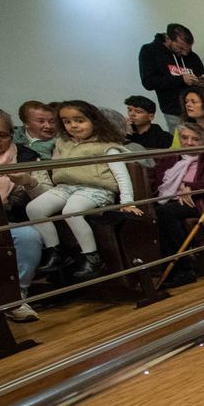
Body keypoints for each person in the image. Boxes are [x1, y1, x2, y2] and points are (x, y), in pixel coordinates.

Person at [25, 100, 142, 282]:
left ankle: (92, 257)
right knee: (34, 208)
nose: (73, 125)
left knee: (72, 211)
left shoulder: (105, 146)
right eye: (67, 121)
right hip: (66, 186)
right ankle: (55, 251)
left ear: (94, 121)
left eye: (79, 120)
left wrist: (128, 202)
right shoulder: (62, 144)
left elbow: (121, 175)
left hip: (96, 188)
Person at [0, 104, 48, 321]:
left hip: (9, 220)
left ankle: (15, 297)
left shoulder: (27, 156)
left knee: (28, 237)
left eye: (2, 134)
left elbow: (47, 197)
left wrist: (29, 182)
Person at [150, 122, 204, 289]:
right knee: (157, 213)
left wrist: (192, 187)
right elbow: (155, 180)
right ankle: (166, 269)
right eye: (185, 138)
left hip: (198, 202)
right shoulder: (170, 159)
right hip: (169, 199)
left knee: (165, 213)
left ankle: (183, 269)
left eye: (195, 139)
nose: (189, 143)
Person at [137, 23, 204, 128]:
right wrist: (181, 79)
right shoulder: (150, 51)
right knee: (181, 137)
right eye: (180, 48)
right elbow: (148, 82)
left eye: (188, 49)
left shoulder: (192, 56)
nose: (185, 53)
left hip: (199, 113)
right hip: (174, 112)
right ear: (168, 39)